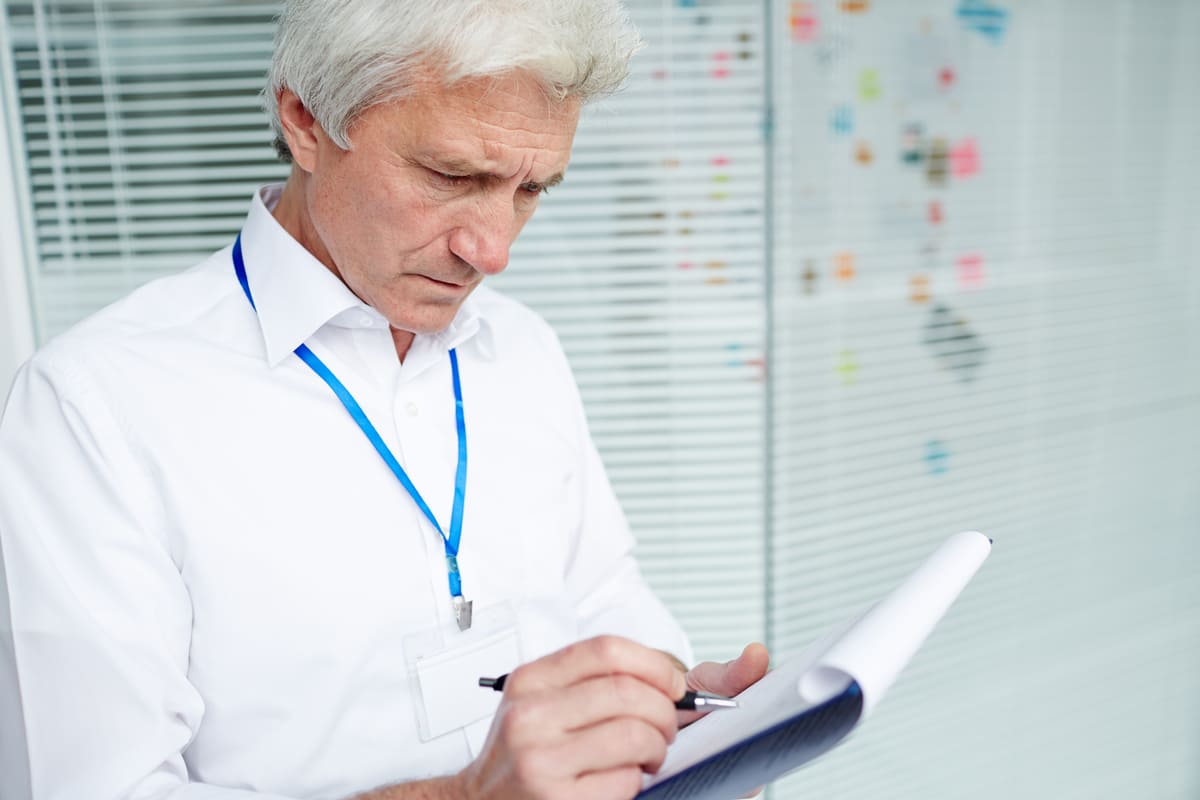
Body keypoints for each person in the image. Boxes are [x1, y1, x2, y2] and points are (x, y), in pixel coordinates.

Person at [0, 1, 769, 799]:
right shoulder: (92, 407)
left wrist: (679, 712)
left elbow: (600, 596)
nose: (493, 251)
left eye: (532, 189)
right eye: (451, 177)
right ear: (305, 120)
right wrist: (470, 796)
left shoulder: (523, 346)